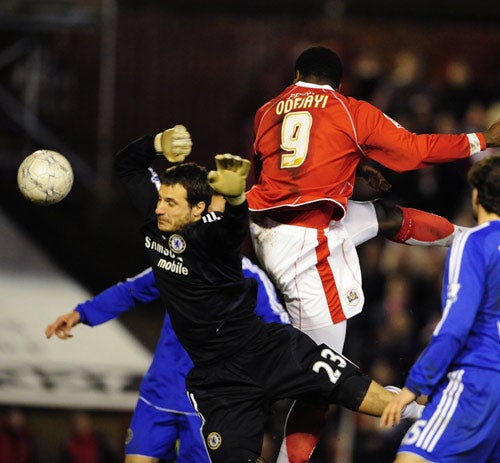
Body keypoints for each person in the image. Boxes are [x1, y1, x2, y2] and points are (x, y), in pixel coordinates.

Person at [245, 45, 500, 463]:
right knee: (321, 381)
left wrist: (352, 164)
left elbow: (274, 170)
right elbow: (415, 151)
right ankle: (407, 412)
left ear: (295, 75)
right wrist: (483, 138)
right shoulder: (348, 108)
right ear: (339, 82)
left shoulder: (266, 111)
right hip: (307, 247)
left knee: (383, 216)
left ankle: (466, 238)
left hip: (270, 229)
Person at [112, 126, 423, 463]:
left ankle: (421, 414)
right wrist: (157, 144)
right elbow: (127, 165)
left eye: (171, 203)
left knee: (346, 386)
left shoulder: (212, 234)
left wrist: (235, 202)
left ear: (198, 208)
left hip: (264, 348)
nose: (159, 209)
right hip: (218, 381)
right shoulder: (156, 218)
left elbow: (231, 231)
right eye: (161, 200)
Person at [45, 255, 289, 463]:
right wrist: (82, 313)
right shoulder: (177, 262)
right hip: (161, 390)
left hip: (209, 402)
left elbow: (281, 331)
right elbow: (132, 290)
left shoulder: (248, 276)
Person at [380, 155, 500, 463]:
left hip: (476, 381)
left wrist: (414, 387)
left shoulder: (474, 242)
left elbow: (456, 326)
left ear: (476, 195)